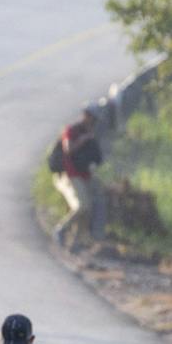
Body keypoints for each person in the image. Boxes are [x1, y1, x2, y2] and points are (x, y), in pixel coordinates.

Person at [49, 105, 108, 250]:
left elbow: (97, 159)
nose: (92, 122)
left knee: (90, 206)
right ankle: (61, 229)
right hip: (69, 174)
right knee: (83, 206)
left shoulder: (91, 135)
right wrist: (83, 139)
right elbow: (68, 149)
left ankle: (76, 241)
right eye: (91, 119)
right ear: (86, 116)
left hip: (83, 175)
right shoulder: (72, 130)